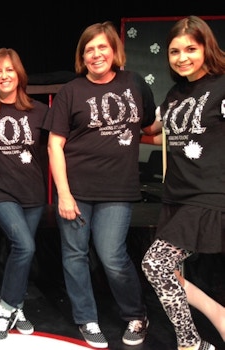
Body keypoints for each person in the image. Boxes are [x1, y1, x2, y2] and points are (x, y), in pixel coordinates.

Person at [43, 21, 160, 348]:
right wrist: (63, 195)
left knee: (112, 255)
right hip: (76, 191)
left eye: (101, 47)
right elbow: (55, 146)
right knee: (75, 255)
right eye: (89, 49)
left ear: (114, 50)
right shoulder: (71, 91)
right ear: (82, 56)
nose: (95, 54)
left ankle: (137, 315)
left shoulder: (134, 83)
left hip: (118, 190)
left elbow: (151, 127)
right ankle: (87, 319)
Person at [141, 15, 225, 350]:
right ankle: (219, 316)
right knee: (169, 273)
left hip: (209, 194)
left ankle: (190, 342)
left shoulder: (222, 86)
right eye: (174, 51)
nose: (182, 57)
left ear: (206, 47)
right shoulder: (175, 93)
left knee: (156, 264)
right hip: (175, 195)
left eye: (190, 48)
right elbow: (153, 132)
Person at [0, 47, 48, 340]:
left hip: (32, 193)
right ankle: (5, 308)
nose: (4, 75)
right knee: (25, 246)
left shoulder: (40, 110)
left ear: (19, 74)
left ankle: (17, 307)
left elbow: (63, 144)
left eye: (9, 70)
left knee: (22, 251)